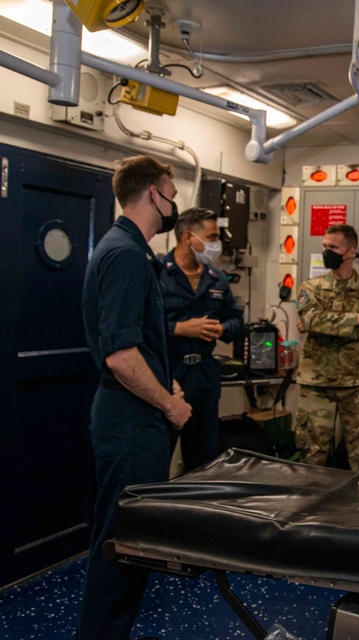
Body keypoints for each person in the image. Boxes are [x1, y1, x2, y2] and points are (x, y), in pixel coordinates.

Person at [78, 155, 192, 640]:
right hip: (130, 420)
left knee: (130, 542)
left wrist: (166, 383)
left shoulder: (130, 248)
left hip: (137, 413)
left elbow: (138, 344)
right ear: (154, 194)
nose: (175, 203)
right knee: (121, 545)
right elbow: (120, 356)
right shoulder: (124, 253)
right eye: (172, 191)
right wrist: (169, 404)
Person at [294, 224, 359, 475]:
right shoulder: (309, 287)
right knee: (311, 453)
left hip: (356, 383)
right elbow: (310, 318)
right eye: (324, 246)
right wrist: (355, 319)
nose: (326, 251)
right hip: (316, 383)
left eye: (333, 247)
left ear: (350, 251)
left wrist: (321, 322)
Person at [159, 207, 243, 471]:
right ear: (187, 237)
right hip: (168, 373)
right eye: (212, 237)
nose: (216, 244)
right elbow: (140, 325)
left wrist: (222, 329)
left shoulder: (216, 278)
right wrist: (180, 329)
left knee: (203, 458)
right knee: (159, 452)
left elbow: (236, 320)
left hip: (204, 375)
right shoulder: (157, 272)